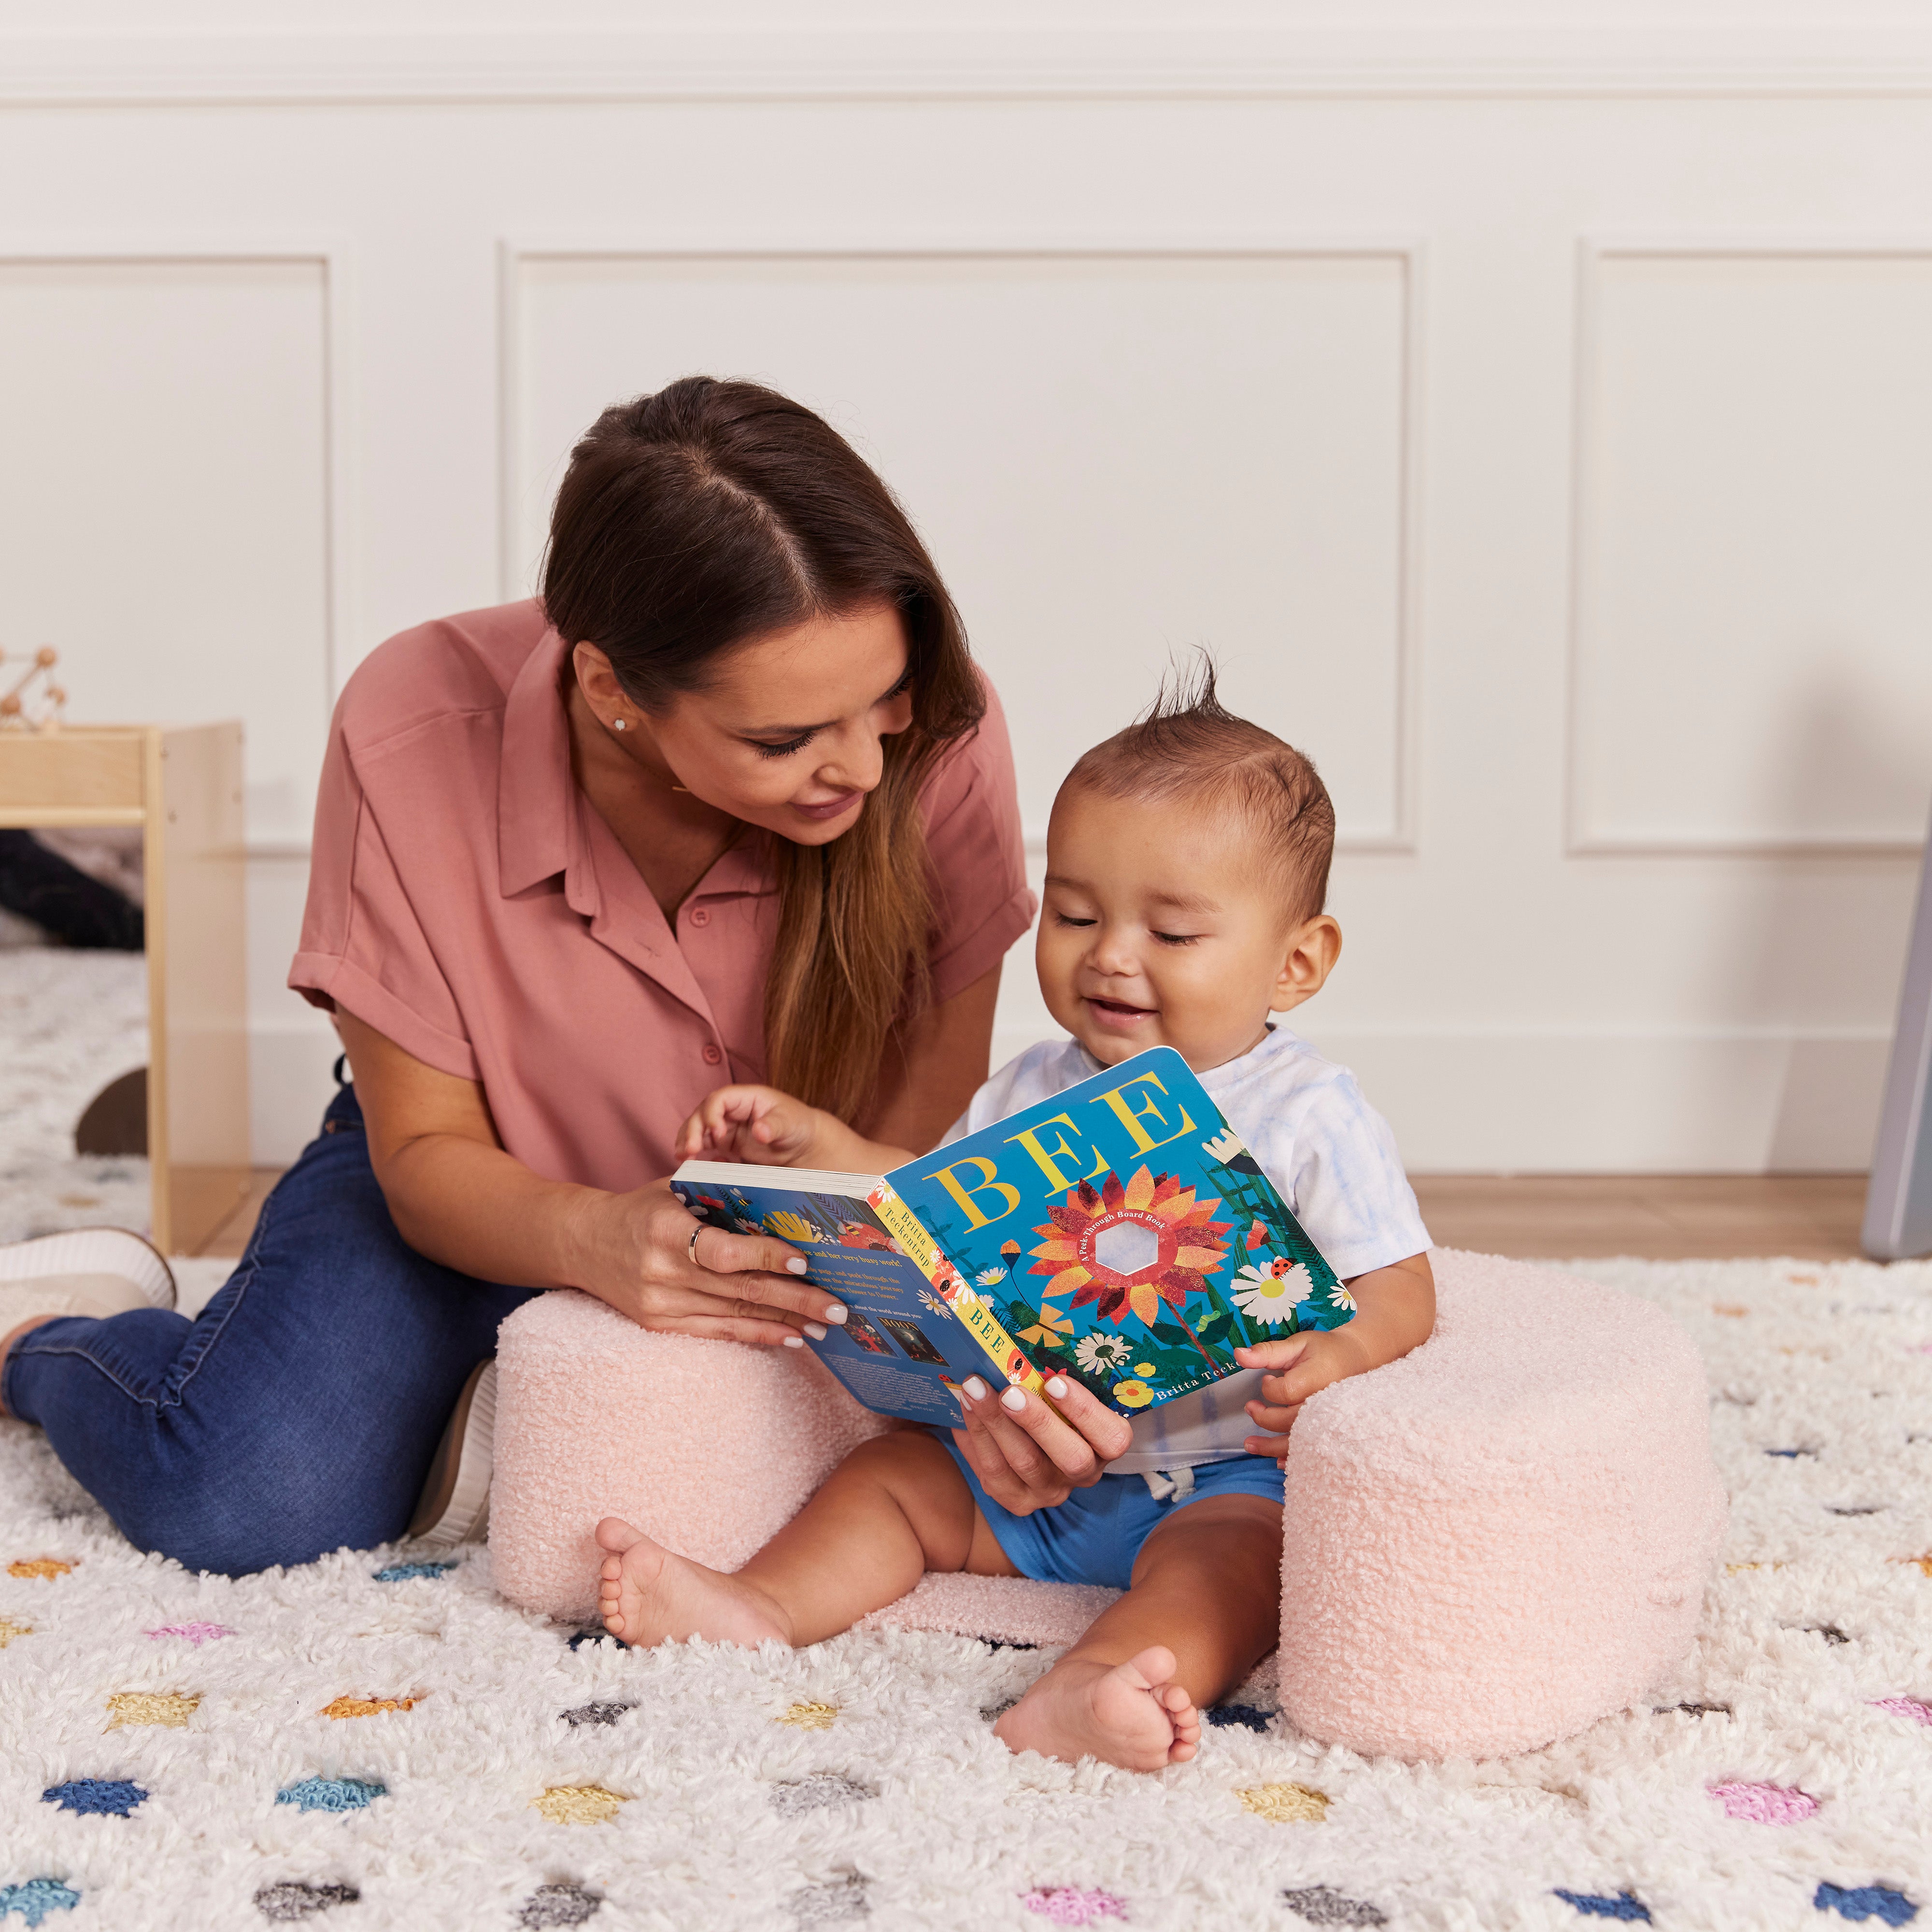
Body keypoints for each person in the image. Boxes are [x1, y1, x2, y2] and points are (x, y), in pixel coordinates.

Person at [0, 377, 1033, 1577]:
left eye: (881, 704)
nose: (858, 762)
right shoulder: (411, 724)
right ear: (611, 692)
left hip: (819, 1212)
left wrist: (817, 1243)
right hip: (477, 1174)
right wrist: (595, 1241)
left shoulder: (937, 732)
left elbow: (932, 1091)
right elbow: (428, 1155)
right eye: (781, 739)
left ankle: (507, 1390)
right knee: (241, 1499)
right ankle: (51, 1330)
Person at [593, 670, 1436, 1772]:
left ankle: (1090, 1686)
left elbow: (1403, 1283)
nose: (1109, 954)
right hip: (1018, 1463)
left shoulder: (1305, 1111)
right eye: (1075, 913)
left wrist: (1338, 1354)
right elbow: (927, 1198)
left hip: (1218, 1475)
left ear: (1297, 960)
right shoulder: (1034, 1084)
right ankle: (759, 1604)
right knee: (886, 1484)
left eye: (1171, 932)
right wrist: (819, 1148)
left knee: (1236, 1570)